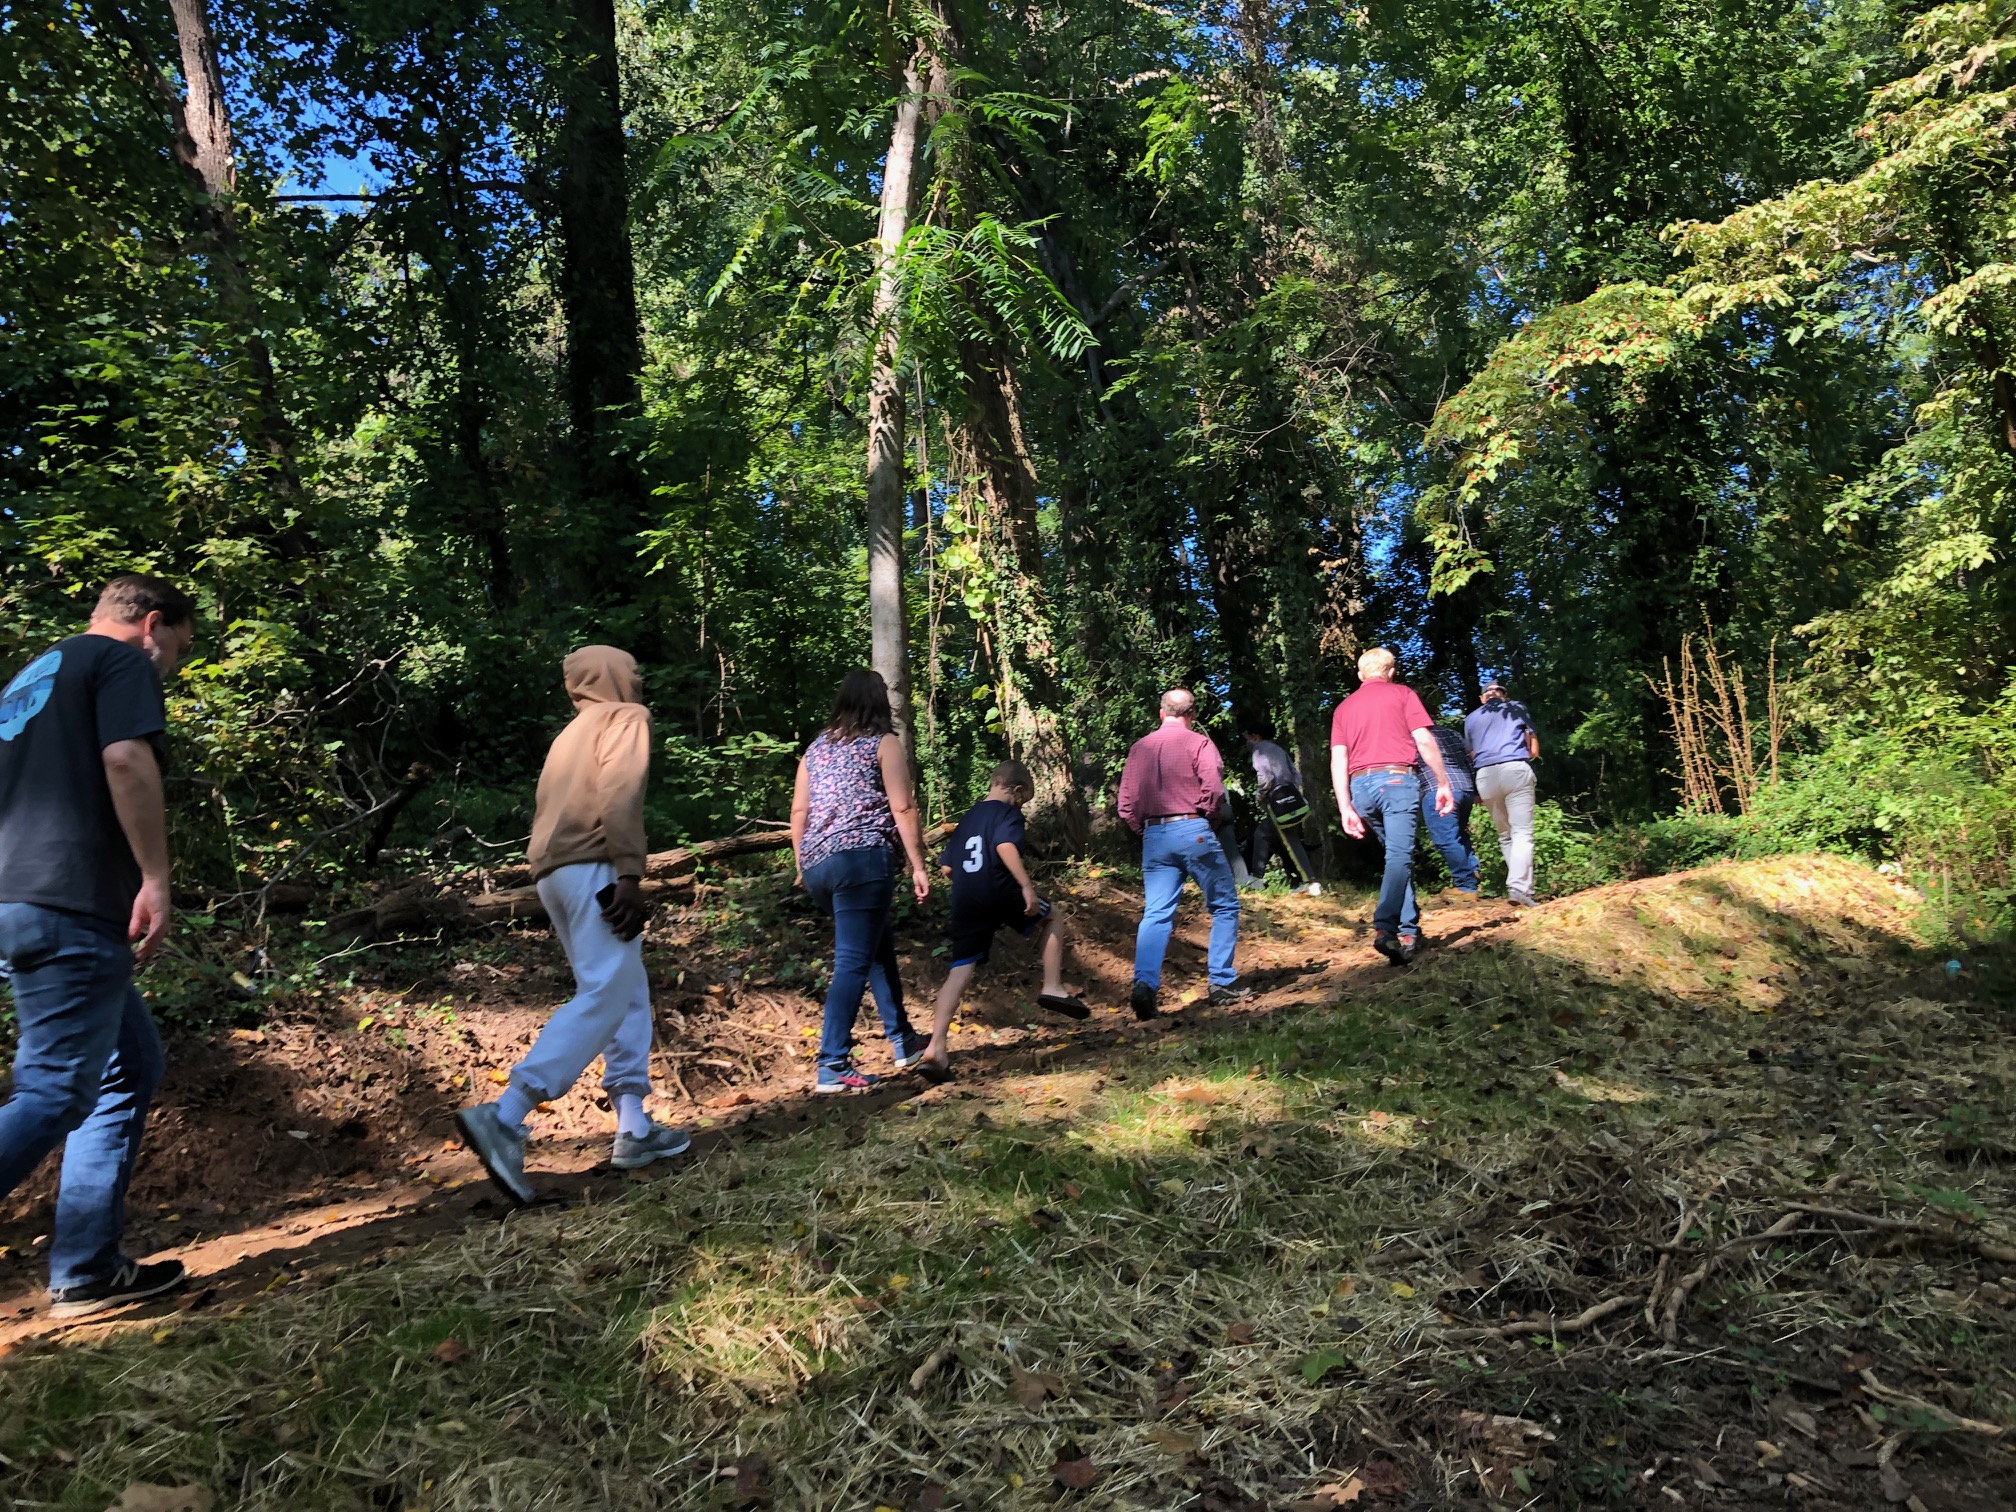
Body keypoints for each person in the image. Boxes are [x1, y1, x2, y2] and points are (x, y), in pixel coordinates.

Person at [0, 574, 195, 1316]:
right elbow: (125, 760)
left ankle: (85, 1268)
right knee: (53, 1092)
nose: (170, 667)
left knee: (130, 1064)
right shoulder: (116, 662)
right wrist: (154, 876)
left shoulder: (32, 678)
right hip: (70, 900)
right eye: (176, 650)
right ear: (151, 625)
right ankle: (83, 1269)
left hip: (19, 899)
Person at [457, 646, 689, 1207]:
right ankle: (507, 1115)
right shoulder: (625, 717)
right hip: (594, 866)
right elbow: (620, 793)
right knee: (607, 991)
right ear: (612, 676)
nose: (637, 678)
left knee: (626, 987)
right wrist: (630, 873)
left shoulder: (568, 734)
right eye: (631, 669)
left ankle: (633, 1127)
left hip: (552, 873)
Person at [787, 670, 932, 1093]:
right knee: (852, 959)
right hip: (862, 860)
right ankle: (832, 1061)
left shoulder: (815, 750)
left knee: (875, 947)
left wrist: (802, 864)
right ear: (878, 703)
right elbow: (901, 807)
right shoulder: (883, 743)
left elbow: (799, 813)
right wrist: (918, 864)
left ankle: (903, 1039)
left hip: (819, 865)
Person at [912, 760, 1089, 1084]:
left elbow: (948, 868)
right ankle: (1052, 986)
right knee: (1054, 917)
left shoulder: (968, 818)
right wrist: (1025, 885)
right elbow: (1004, 845)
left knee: (960, 969)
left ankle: (936, 1049)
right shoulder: (1008, 814)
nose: (1020, 805)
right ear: (1016, 790)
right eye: (1023, 799)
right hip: (1000, 889)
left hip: (966, 898)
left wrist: (972, 883)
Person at [1117, 688, 1250, 1018]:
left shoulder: (1139, 748)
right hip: (1193, 830)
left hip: (1154, 835)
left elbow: (1125, 806)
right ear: (1191, 715)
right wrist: (1208, 819)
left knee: (1156, 913)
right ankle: (1221, 982)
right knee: (1224, 904)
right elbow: (1215, 790)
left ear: (1161, 713)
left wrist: (1144, 829)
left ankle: (1144, 986)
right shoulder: (1199, 743)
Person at [1328, 647, 1457, 966]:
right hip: (1397, 782)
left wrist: (1345, 806)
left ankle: (1409, 932)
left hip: (1360, 788)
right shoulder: (1402, 694)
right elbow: (1425, 740)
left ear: (1361, 675)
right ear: (1391, 671)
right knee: (1400, 856)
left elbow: (1338, 759)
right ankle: (1385, 927)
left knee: (1395, 857)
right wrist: (1443, 782)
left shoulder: (1343, 708)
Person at [1465, 679, 1541, 906]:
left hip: (1485, 776)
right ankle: (1519, 887)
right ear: (1503, 696)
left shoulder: (1470, 719)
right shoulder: (1516, 708)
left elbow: (1471, 754)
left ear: (1482, 699)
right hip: (1514, 769)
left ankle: (1523, 888)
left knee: (1505, 835)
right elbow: (1534, 749)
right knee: (1522, 833)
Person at [1241, 725, 1318, 894]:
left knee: (1290, 840)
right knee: (1263, 834)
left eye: (1247, 737)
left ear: (1255, 736)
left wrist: (1260, 796)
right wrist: (1290, 791)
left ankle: (1311, 883)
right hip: (1290, 798)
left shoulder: (1259, 752)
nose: (1246, 741)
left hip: (1277, 803)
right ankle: (1257, 879)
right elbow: (1296, 775)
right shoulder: (1278, 749)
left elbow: (1265, 778)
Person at [1421, 722, 1481, 899]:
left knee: (1445, 839)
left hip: (1437, 790)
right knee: (1459, 834)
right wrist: (1475, 790)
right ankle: (1472, 869)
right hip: (1465, 788)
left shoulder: (1415, 737)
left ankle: (1465, 885)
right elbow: (1469, 761)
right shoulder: (1451, 733)